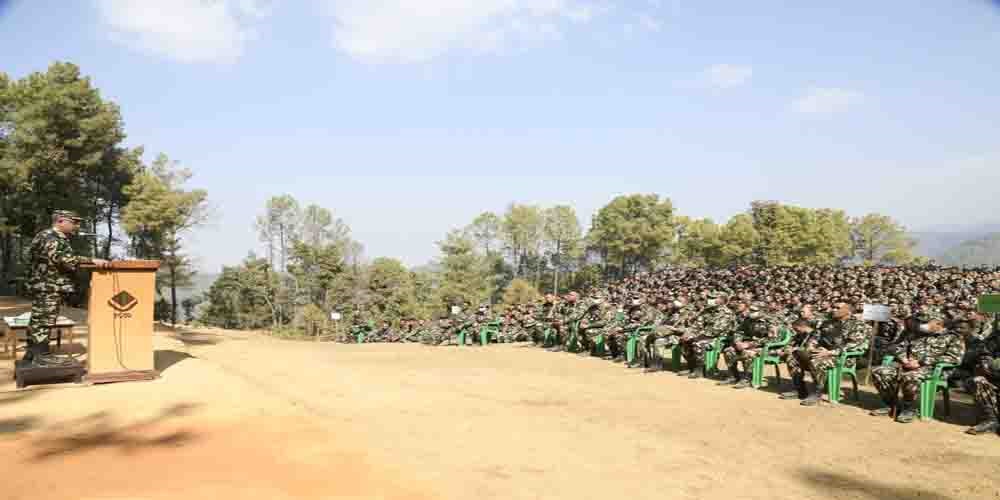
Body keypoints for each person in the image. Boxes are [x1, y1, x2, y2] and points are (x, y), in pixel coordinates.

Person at [26, 210, 108, 365]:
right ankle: (41, 356)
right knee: (44, 321)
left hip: (46, 285)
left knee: (39, 320)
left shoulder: (49, 236)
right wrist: (91, 260)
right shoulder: (51, 236)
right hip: (48, 286)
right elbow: (63, 259)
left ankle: (32, 354)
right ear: (60, 221)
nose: (76, 226)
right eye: (74, 222)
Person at [870, 311, 964, 423]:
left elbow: (954, 358)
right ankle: (892, 405)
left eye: (926, 322)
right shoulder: (915, 334)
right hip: (906, 366)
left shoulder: (953, 337)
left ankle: (909, 408)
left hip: (931, 370)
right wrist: (903, 358)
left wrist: (921, 362)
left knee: (910, 377)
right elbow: (897, 347)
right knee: (879, 371)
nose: (921, 325)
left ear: (938, 324)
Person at [786, 302, 870, 406]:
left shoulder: (858, 325)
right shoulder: (827, 323)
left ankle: (817, 392)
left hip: (842, 357)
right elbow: (816, 337)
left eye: (837, 308)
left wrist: (830, 352)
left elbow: (855, 345)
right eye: (833, 307)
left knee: (816, 361)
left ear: (848, 311)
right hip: (821, 352)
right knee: (793, 358)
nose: (833, 309)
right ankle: (800, 390)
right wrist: (811, 347)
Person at [967, 323, 1000, 435]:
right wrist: (986, 362)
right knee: (977, 381)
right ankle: (991, 420)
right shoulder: (995, 337)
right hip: (994, 378)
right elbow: (984, 354)